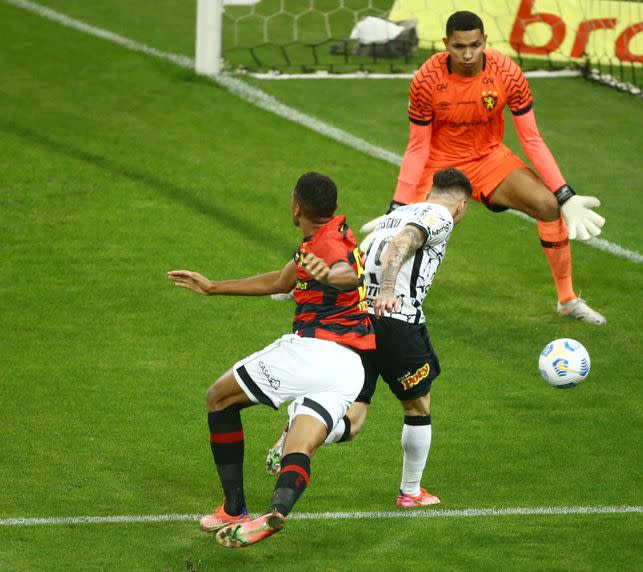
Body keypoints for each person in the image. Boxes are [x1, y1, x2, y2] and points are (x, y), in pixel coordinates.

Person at [167, 172, 374, 548]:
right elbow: (280, 283)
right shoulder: (334, 236)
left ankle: (234, 509)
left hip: (313, 351)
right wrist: (213, 287)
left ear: (296, 207)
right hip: (350, 368)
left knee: (218, 398)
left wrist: (329, 275)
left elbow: (346, 274)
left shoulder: (327, 252)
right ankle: (276, 510)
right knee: (300, 444)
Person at [361, 10, 607, 324]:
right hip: (442, 166)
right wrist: (397, 206)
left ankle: (567, 300)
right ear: (446, 44)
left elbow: (531, 138)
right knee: (401, 233)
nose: (467, 54)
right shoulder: (426, 79)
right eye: (459, 47)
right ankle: (324, 283)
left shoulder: (507, 72)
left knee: (547, 205)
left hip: (489, 159)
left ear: (485, 41)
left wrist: (565, 194)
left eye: (475, 45)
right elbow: (418, 146)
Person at [267, 167, 472, 508]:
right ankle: (411, 492)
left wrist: (305, 284)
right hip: (397, 321)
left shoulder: (397, 212)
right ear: (461, 206)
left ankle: (297, 431)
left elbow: (355, 258)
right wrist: (389, 289)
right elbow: (401, 244)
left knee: (354, 417)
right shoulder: (440, 216)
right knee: (418, 407)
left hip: (359, 321)